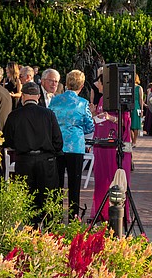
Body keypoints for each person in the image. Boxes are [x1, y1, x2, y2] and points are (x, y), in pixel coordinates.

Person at [3, 81, 64, 226]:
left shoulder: (14, 116)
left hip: (24, 160)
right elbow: (58, 141)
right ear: (37, 96)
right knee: (48, 197)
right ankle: (49, 230)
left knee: (28, 198)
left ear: (23, 96)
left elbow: (7, 140)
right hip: (46, 160)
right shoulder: (48, 114)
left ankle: (30, 229)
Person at [49, 70, 95, 221]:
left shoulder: (55, 100)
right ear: (81, 85)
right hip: (75, 146)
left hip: (57, 146)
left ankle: (55, 217)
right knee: (74, 184)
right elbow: (89, 126)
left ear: (67, 83)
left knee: (57, 183)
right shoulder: (82, 103)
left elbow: (49, 121)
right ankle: (73, 217)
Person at [91, 71, 134, 224]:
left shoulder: (120, 101)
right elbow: (99, 120)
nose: (97, 85)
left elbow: (124, 123)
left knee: (117, 181)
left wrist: (110, 117)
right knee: (101, 180)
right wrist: (94, 114)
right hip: (102, 145)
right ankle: (101, 212)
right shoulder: (102, 99)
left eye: (100, 82)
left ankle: (119, 214)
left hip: (116, 147)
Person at [130, 74, 145, 146]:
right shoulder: (139, 88)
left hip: (131, 106)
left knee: (130, 125)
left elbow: (141, 99)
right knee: (135, 125)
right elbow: (141, 99)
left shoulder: (129, 87)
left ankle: (133, 140)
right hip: (136, 106)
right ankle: (134, 141)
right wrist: (142, 109)